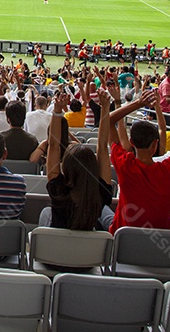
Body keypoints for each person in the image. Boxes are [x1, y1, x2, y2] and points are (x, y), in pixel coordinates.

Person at [107, 90, 170, 232]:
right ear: (155, 144)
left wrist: (138, 103)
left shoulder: (124, 163)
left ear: (131, 142)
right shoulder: (169, 167)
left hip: (122, 239)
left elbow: (109, 120)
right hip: (160, 243)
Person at [42, 88, 114, 231]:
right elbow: (103, 148)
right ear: (93, 166)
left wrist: (57, 112)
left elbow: (55, 146)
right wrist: (105, 108)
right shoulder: (100, 193)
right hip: (90, 252)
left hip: (56, 250)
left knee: (45, 213)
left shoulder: (58, 191)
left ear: (66, 167)